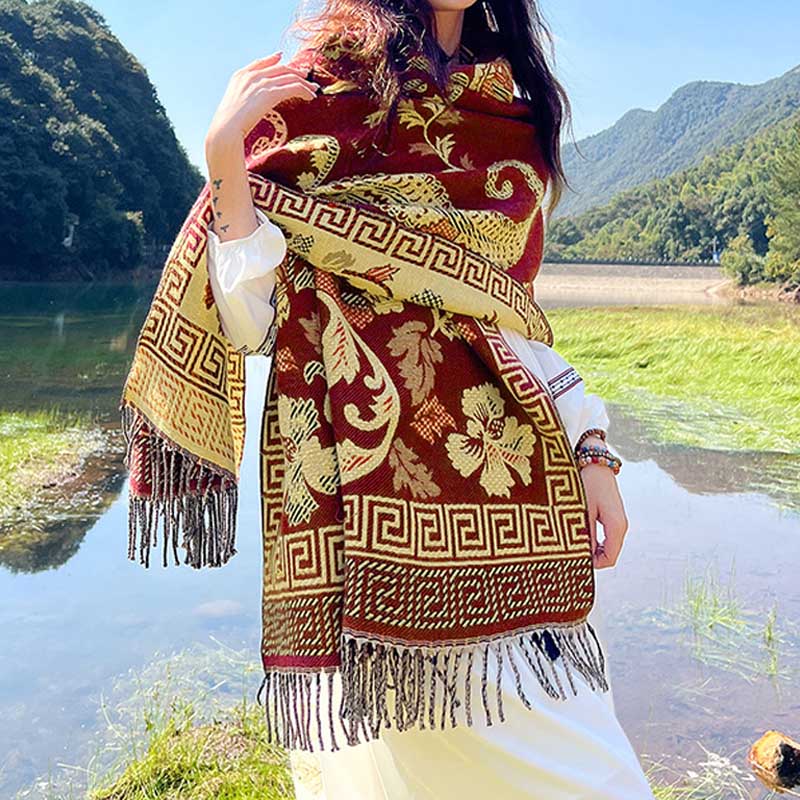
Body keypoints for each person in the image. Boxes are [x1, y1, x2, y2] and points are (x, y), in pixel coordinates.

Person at [194, 2, 656, 798]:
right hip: (372, 511)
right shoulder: (320, 92)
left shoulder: (509, 113)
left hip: (517, 493)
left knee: (588, 766)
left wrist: (593, 448)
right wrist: (223, 155)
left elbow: (515, 323)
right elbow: (255, 320)